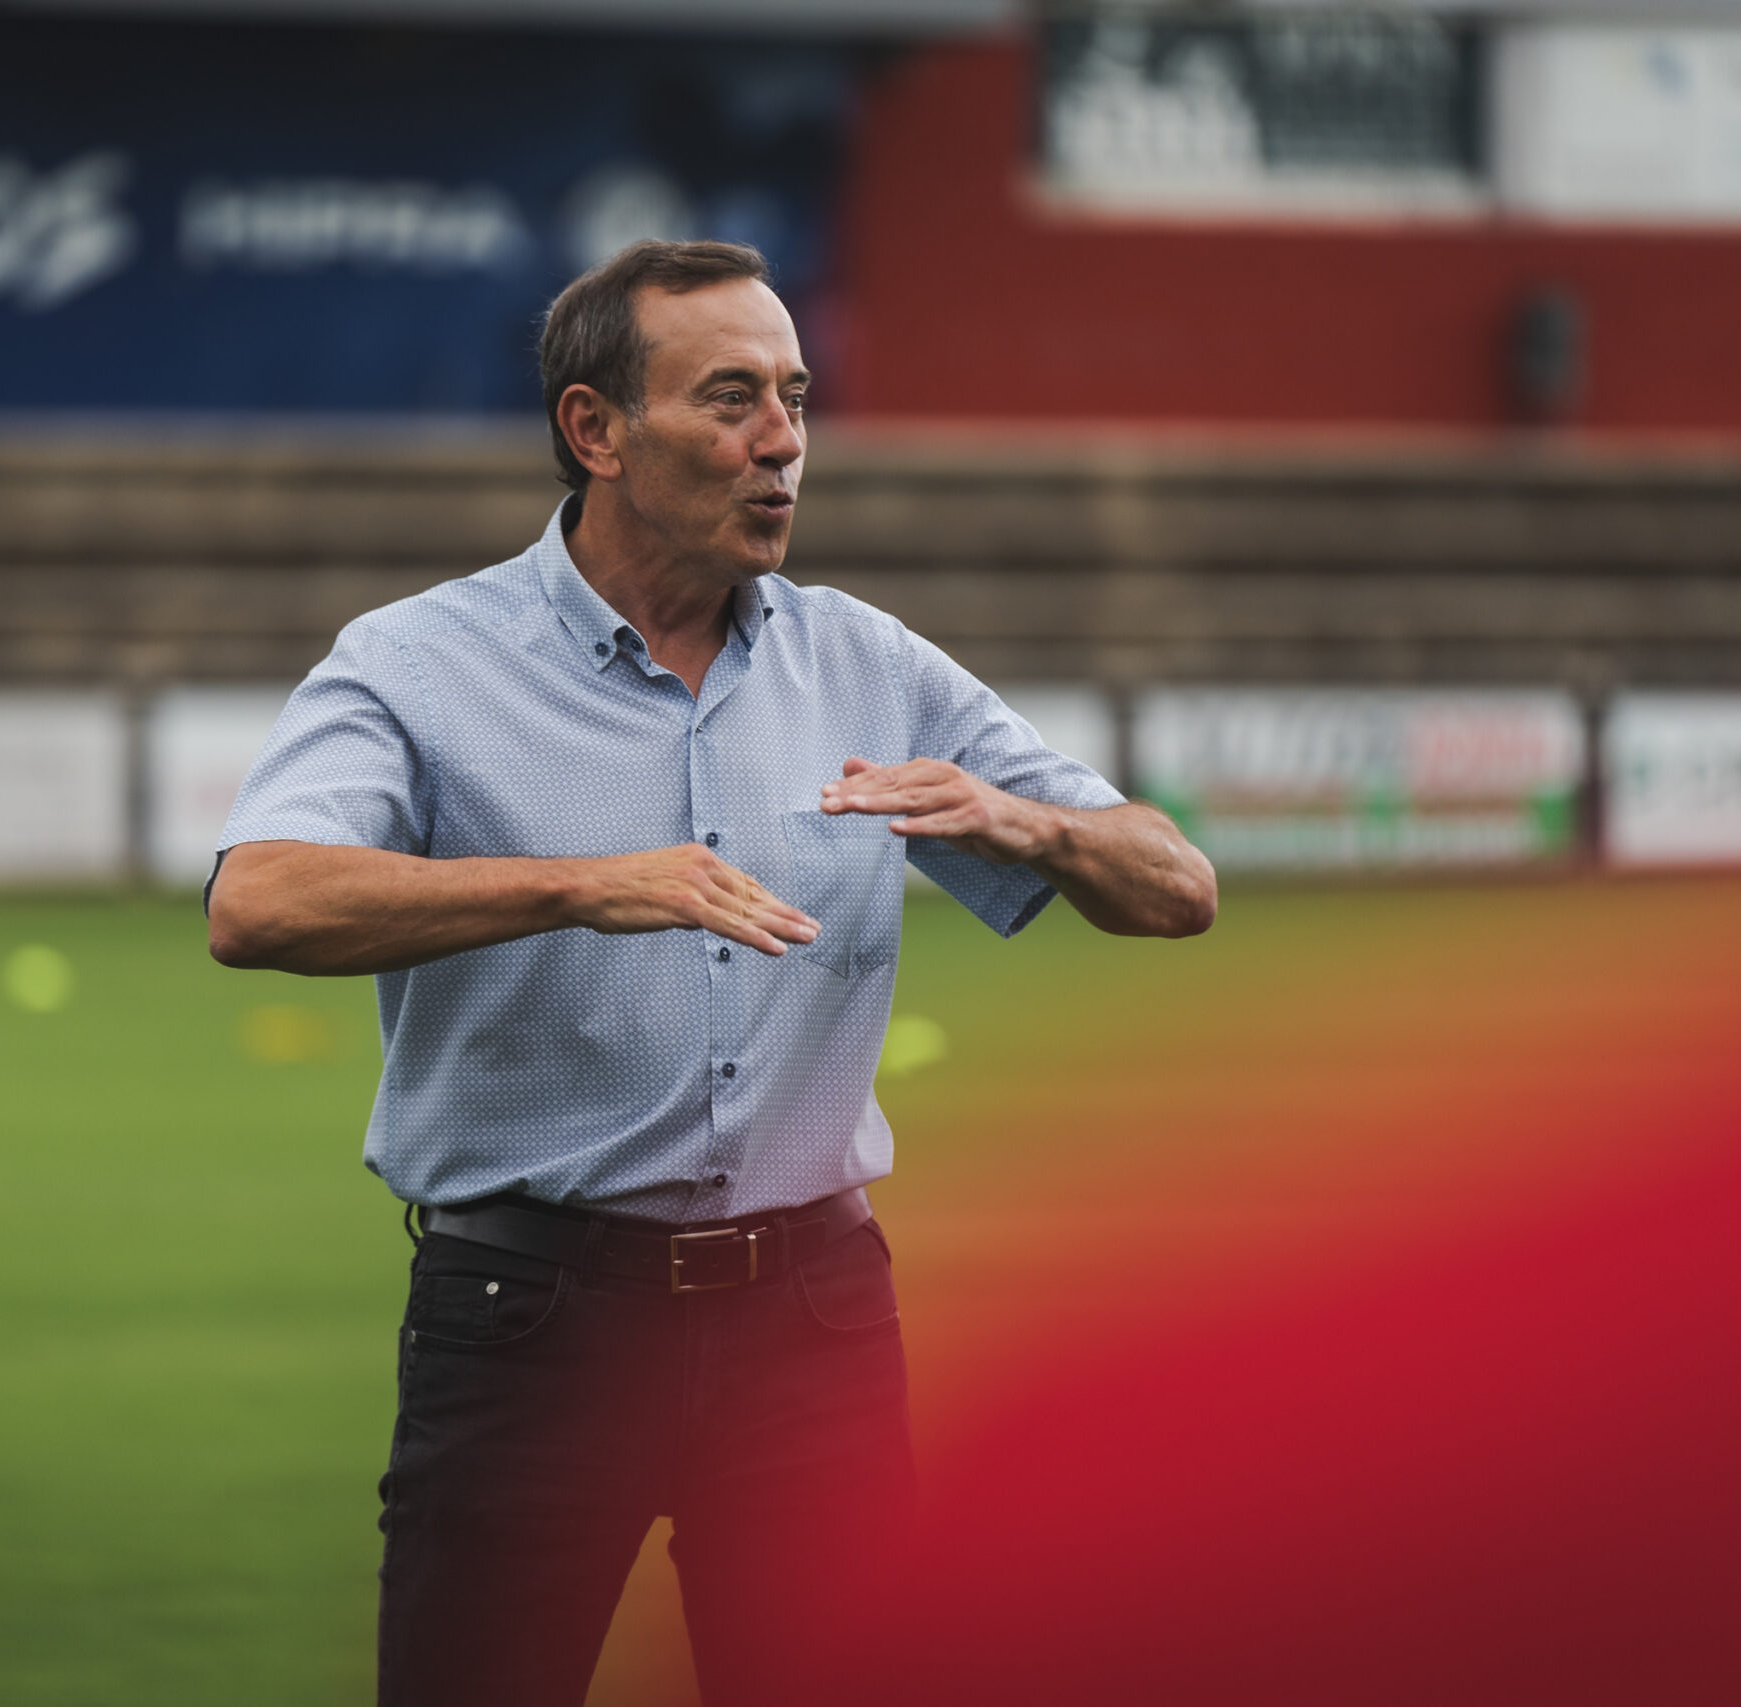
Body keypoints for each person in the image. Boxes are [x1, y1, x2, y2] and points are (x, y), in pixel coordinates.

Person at [206, 239, 1215, 1707]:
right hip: (529, 1315)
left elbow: (1179, 889)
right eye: (731, 399)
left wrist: (1024, 823)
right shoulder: (419, 662)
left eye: (796, 399)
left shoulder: (869, 664)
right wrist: (580, 885)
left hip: (814, 1320)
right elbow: (259, 900)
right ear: (596, 430)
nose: (783, 443)